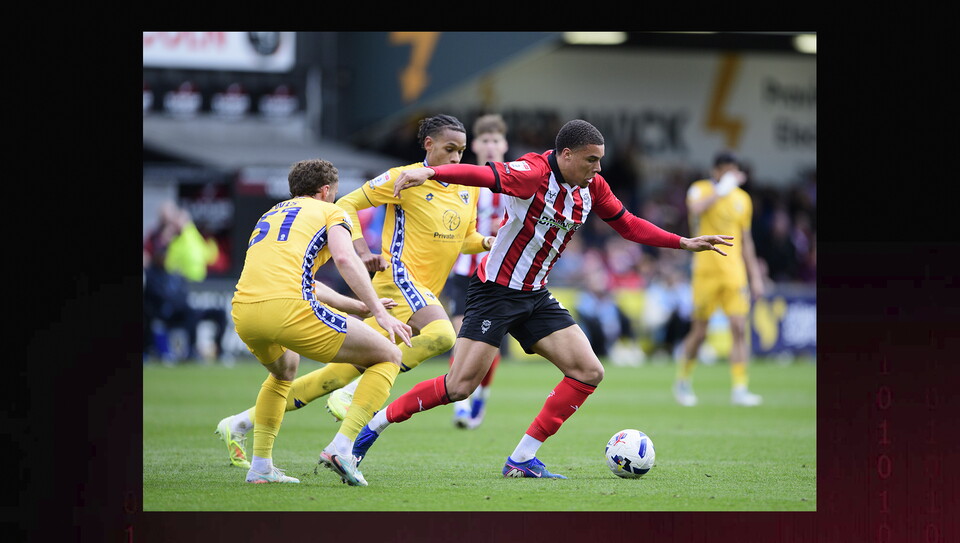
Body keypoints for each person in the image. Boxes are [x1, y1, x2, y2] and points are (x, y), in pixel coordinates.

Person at [350, 119, 735, 480]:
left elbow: (629, 225)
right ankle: (373, 427)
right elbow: (482, 174)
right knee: (459, 386)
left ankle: (521, 459)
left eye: (599, 160)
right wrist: (431, 172)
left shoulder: (592, 188)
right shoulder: (533, 172)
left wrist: (682, 242)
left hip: (535, 295)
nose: (598, 169)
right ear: (566, 155)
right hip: (496, 293)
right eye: (591, 160)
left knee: (589, 371)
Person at [215, 115, 493, 471]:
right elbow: (345, 204)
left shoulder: (467, 188)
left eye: (461, 152)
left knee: (332, 376)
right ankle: (349, 402)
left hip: (423, 291)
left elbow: (462, 238)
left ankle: (239, 423)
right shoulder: (401, 177)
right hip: (399, 278)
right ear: (428, 145)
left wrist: (485, 241)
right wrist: (362, 250)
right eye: (449, 149)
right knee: (441, 336)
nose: (456, 158)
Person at [220, 158, 413, 485]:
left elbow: (306, 280)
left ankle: (261, 467)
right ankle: (343, 446)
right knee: (389, 355)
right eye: (334, 192)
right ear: (326, 190)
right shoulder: (331, 211)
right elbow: (344, 257)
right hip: (290, 309)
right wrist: (379, 313)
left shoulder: (272, 213)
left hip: (245, 311)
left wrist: (358, 306)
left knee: (284, 373)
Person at [673, 151, 765, 407]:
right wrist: (721, 190)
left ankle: (740, 387)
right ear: (716, 171)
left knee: (738, 327)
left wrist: (755, 276)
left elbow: (746, 240)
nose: (731, 176)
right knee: (699, 332)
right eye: (726, 171)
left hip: (734, 273)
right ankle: (682, 381)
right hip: (705, 272)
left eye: (734, 171)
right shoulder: (700, 190)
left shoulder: (742, 199)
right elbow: (695, 210)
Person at [445, 114, 509, 429]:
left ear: (504, 145)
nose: (490, 146)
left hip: (498, 274)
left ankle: (481, 395)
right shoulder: (464, 179)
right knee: (462, 337)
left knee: (489, 343)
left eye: (496, 140)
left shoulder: (516, 180)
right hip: (464, 269)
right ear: (476, 146)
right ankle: (462, 404)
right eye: (485, 140)